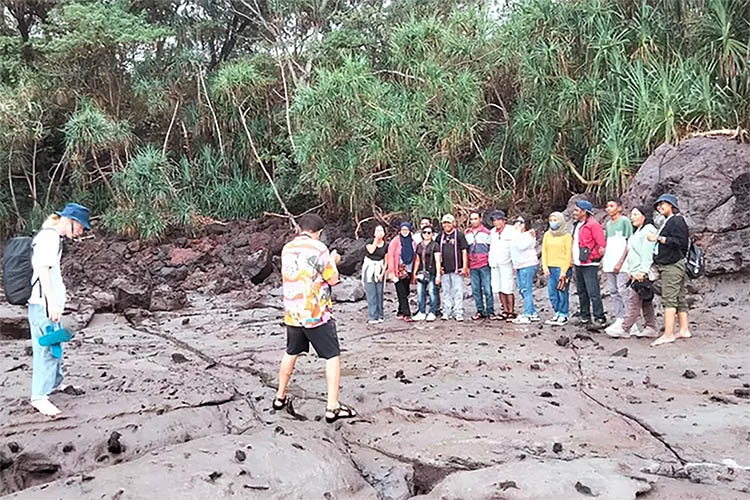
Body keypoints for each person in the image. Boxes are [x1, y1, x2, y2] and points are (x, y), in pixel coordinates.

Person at [275, 214, 357, 424]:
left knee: (291, 352)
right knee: (332, 356)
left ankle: (279, 397)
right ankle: (332, 407)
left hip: (292, 312)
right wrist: (334, 261)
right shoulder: (319, 249)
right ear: (318, 232)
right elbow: (333, 278)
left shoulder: (287, 248)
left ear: (300, 229)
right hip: (315, 313)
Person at [28, 202, 91, 416]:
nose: (81, 232)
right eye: (81, 227)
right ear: (70, 221)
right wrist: (51, 304)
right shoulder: (49, 238)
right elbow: (43, 272)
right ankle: (39, 396)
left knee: (54, 346)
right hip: (43, 304)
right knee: (46, 347)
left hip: (46, 304)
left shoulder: (52, 237)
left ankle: (54, 384)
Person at [647, 194, 691, 347]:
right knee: (679, 297)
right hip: (673, 264)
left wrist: (659, 239)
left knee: (669, 298)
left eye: (663, 204)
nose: (660, 208)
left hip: (672, 265)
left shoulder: (676, 220)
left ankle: (668, 334)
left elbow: (681, 242)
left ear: (672, 205)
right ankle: (684, 329)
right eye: (658, 206)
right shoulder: (669, 220)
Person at [614, 206, 659, 338]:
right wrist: (630, 270)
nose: (632, 217)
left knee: (634, 300)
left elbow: (647, 253)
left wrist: (642, 271)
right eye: (631, 214)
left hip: (641, 272)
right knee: (646, 300)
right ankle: (651, 327)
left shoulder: (648, 230)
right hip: (634, 271)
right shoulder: (637, 231)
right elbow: (632, 253)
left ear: (643, 216)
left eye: (635, 214)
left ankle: (625, 328)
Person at [572, 200, 607, 330]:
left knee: (593, 291)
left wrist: (593, 256)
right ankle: (585, 315)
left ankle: (599, 317)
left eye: (577, 210)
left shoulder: (593, 225)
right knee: (581, 291)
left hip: (589, 263)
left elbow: (601, 244)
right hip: (578, 262)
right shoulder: (577, 225)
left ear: (584, 212)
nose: (574, 212)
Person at [602, 198, 633, 336]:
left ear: (619, 208)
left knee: (623, 290)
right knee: (613, 291)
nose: (608, 208)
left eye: (612, 206)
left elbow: (629, 243)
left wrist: (621, 262)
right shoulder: (608, 224)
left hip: (622, 264)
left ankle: (630, 321)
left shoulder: (625, 221)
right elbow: (609, 242)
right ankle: (619, 318)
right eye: (607, 206)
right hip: (609, 262)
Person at [542, 211, 573, 326]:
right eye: (551, 220)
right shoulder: (547, 235)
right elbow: (544, 251)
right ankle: (557, 312)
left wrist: (564, 271)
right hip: (550, 267)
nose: (552, 223)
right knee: (552, 292)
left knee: (562, 291)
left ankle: (563, 314)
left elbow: (568, 255)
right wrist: (545, 267)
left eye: (555, 220)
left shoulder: (567, 236)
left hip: (562, 268)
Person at [437, 214, 469, 321]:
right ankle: (446, 311)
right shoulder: (439, 237)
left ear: (453, 223)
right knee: (446, 291)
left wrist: (465, 266)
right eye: (445, 223)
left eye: (449, 222)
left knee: (458, 291)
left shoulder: (459, 235)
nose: (446, 225)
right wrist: (439, 268)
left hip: (457, 268)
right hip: (444, 269)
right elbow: (436, 253)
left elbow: (464, 251)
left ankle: (458, 312)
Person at [510, 217, 540, 323]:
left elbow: (520, 246)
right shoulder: (516, 235)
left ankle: (527, 314)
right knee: (521, 289)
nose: (518, 224)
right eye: (517, 222)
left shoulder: (528, 236)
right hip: (519, 265)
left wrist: (517, 232)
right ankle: (532, 312)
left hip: (528, 265)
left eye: (521, 222)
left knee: (527, 290)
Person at [465, 211, 494, 319]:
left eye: (475, 219)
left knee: (487, 289)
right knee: (476, 290)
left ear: (480, 219)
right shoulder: (467, 233)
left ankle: (490, 311)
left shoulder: (487, 232)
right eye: (471, 219)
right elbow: (466, 251)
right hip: (472, 265)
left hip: (484, 264)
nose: (473, 221)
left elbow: (491, 248)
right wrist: (466, 266)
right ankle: (480, 311)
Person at [488, 210, 517, 320]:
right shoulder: (492, 232)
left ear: (503, 220)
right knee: (498, 287)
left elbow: (516, 246)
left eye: (498, 220)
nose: (496, 222)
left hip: (507, 262)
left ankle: (511, 311)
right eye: (494, 220)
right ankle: (504, 309)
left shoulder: (511, 230)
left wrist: (515, 263)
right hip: (495, 263)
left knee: (508, 287)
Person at [386, 222, 416, 321]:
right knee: (401, 292)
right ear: (400, 231)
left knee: (406, 291)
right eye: (403, 230)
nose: (404, 232)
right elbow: (390, 256)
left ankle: (400, 311)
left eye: (406, 230)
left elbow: (416, 256)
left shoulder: (413, 242)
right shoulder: (395, 242)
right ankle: (407, 314)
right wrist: (391, 271)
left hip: (409, 269)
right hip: (397, 270)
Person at [411, 225, 441, 321]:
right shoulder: (419, 245)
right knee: (420, 292)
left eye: (429, 232)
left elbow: (438, 261)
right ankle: (421, 311)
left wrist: (438, 275)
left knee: (432, 292)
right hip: (421, 272)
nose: (426, 234)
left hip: (431, 272)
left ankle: (432, 311)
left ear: (432, 234)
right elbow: (417, 260)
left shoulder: (435, 245)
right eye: (424, 232)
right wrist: (414, 273)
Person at [362, 225, 387, 324]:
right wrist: (376, 240)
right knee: (371, 292)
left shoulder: (386, 245)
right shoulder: (369, 242)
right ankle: (373, 316)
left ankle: (380, 315)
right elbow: (371, 250)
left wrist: (382, 273)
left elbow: (386, 260)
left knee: (379, 292)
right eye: (377, 230)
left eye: (381, 230)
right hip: (369, 268)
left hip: (380, 268)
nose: (379, 232)